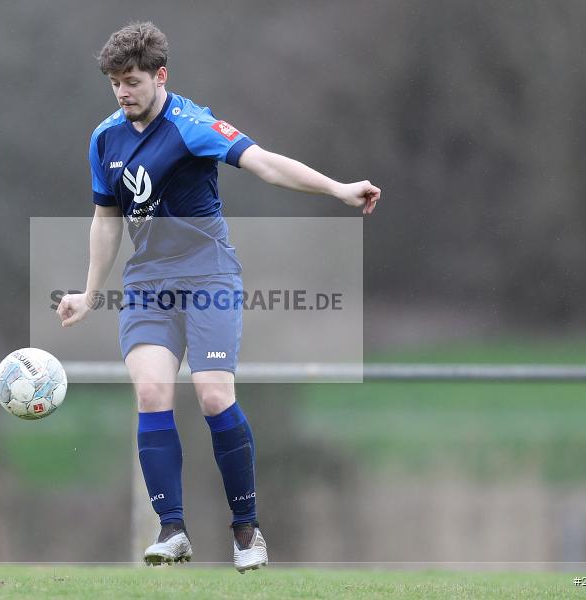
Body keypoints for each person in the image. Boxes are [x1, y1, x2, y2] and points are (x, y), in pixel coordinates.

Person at [56, 21, 380, 572]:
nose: (122, 92)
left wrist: (336, 188)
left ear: (160, 76)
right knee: (153, 389)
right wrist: (89, 293)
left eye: (131, 81)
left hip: (208, 278)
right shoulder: (104, 138)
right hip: (147, 286)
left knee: (211, 394)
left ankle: (246, 530)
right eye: (114, 83)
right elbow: (106, 220)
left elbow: (266, 163)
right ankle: (172, 530)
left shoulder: (192, 125)